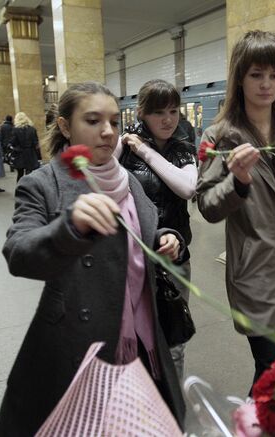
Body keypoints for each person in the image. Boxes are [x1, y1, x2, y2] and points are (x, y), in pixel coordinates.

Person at [0, 82, 186, 436]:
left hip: (143, 337)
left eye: (113, 121)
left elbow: (134, 235)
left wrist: (162, 239)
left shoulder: (127, 180)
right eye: (93, 120)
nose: (108, 132)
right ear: (66, 126)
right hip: (82, 345)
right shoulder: (43, 184)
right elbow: (18, 252)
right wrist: (69, 228)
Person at [196, 30, 275, 391]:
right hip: (257, 271)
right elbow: (206, 205)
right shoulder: (219, 136)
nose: (266, 84)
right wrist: (236, 180)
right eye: (256, 75)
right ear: (240, 77)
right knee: (271, 369)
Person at [117, 79, 197, 380]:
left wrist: (147, 153)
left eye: (174, 111)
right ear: (142, 113)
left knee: (175, 337)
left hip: (175, 258)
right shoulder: (123, 145)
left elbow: (187, 187)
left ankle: (172, 409)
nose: (168, 120)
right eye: (158, 112)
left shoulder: (183, 149)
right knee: (133, 336)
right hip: (133, 258)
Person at [9, 112, 41, 182]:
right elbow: (36, 143)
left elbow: (13, 142)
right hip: (30, 153)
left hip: (19, 153)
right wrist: (38, 156)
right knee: (29, 173)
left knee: (20, 174)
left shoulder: (15, 130)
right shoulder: (32, 129)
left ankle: (19, 188)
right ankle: (29, 188)